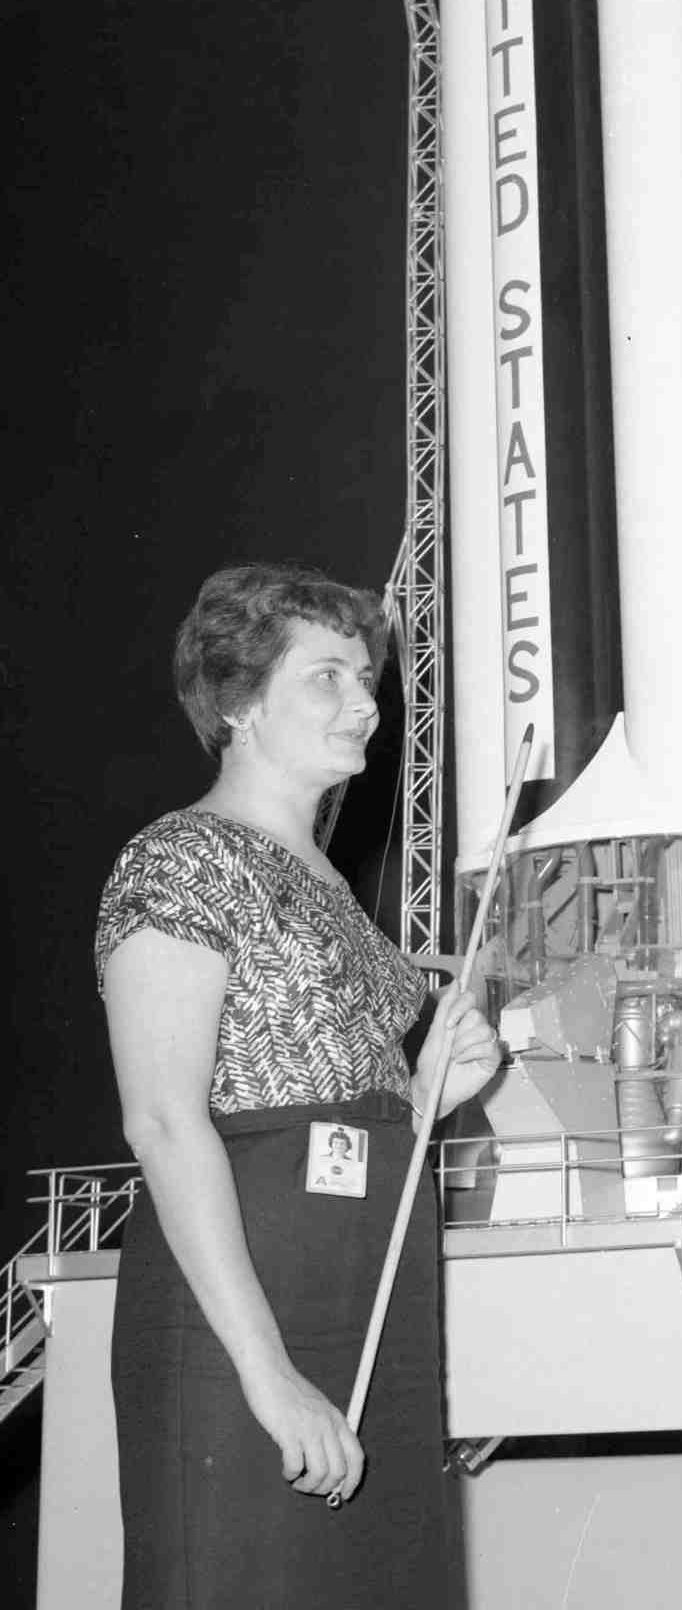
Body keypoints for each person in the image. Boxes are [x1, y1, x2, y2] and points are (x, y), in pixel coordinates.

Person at [96, 564, 501, 1609]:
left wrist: (431, 1091)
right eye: (327, 676)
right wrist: (268, 1376)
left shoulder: (335, 889)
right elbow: (165, 1117)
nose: (366, 700)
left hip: (371, 1300)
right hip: (247, 1323)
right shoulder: (181, 859)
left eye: (366, 677)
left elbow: (354, 1110)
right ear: (237, 701)